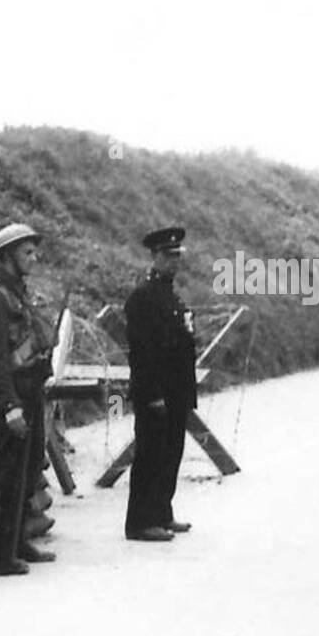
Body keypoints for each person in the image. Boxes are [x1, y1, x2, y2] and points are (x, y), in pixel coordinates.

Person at [0, 223, 58, 574]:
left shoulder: (19, 294)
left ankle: (19, 540)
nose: (33, 258)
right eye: (27, 252)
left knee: (27, 471)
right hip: (10, 397)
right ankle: (0, 555)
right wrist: (9, 407)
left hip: (30, 391)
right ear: (8, 256)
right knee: (6, 476)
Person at [124, 226, 197, 542]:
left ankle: (162, 513)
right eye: (167, 256)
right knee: (151, 455)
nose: (173, 261)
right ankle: (140, 522)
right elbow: (143, 353)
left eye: (176, 255)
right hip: (156, 391)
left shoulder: (170, 295)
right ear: (154, 257)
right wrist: (152, 394)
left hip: (176, 390)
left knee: (171, 453)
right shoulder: (143, 297)